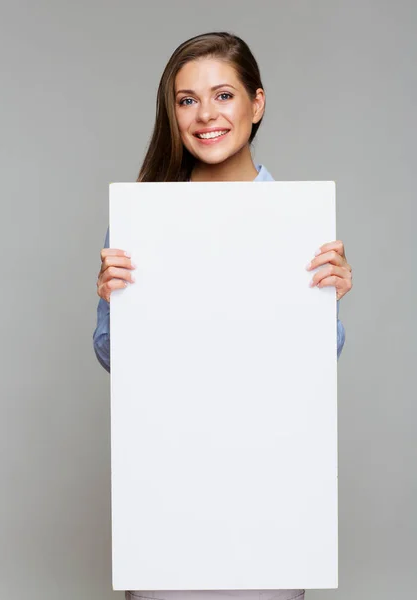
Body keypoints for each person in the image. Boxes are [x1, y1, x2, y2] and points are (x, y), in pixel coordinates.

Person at [93, 32, 353, 600]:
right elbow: (113, 356)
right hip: (167, 497)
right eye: (187, 100)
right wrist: (119, 305)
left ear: (256, 104)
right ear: (173, 113)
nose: (205, 114)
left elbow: (306, 374)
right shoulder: (142, 216)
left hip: (269, 502)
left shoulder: (300, 221)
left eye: (223, 95)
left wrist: (323, 305)